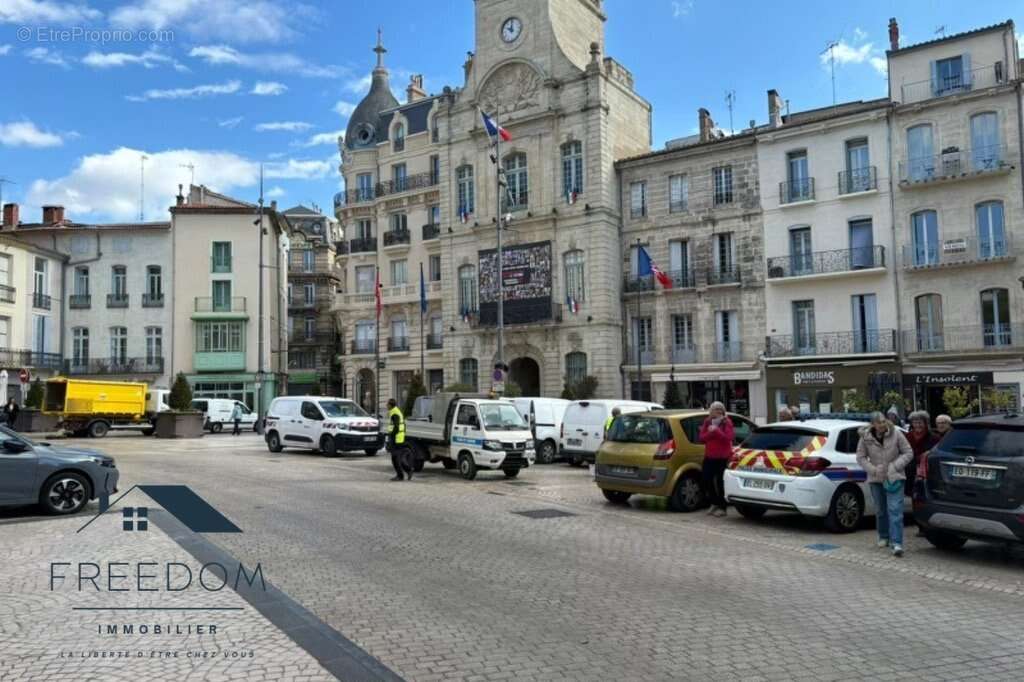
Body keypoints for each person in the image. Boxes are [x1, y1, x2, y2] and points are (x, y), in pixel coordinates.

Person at [856, 411, 914, 557]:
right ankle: (883, 536)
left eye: (883, 421)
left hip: (895, 477)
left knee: (895, 510)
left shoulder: (896, 433)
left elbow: (908, 452)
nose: (881, 424)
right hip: (876, 478)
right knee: (881, 510)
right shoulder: (866, 437)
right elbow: (861, 457)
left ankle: (897, 543)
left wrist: (894, 466)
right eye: (878, 422)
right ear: (873, 424)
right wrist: (873, 470)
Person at [699, 401, 735, 517]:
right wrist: (711, 432)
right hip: (709, 456)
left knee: (720, 482)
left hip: (722, 457)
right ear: (711, 411)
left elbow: (729, 438)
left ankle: (722, 507)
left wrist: (717, 431)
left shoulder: (726, 422)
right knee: (706, 479)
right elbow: (702, 438)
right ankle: (714, 502)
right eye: (716, 409)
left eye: (720, 409)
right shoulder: (707, 421)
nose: (718, 411)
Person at [904, 410, 937, 496]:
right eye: (915, 423)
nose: (918, 425)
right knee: (911, 492)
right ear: (912, 424)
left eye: (920, 422)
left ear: (925, 423)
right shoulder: (907, 436)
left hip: (926, 470)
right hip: (909, 469)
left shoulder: (933, 436)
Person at [386, 398, 412, 481]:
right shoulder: (396, 411)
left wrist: (391, 434)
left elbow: (396, 427)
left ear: (390, 405)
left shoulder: (394, 413)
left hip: (396, 438)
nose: (386, 406)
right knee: (398, 457)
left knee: (395, 458)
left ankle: (401, 475)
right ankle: (407, 471)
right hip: (399, 437)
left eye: (387, 404)